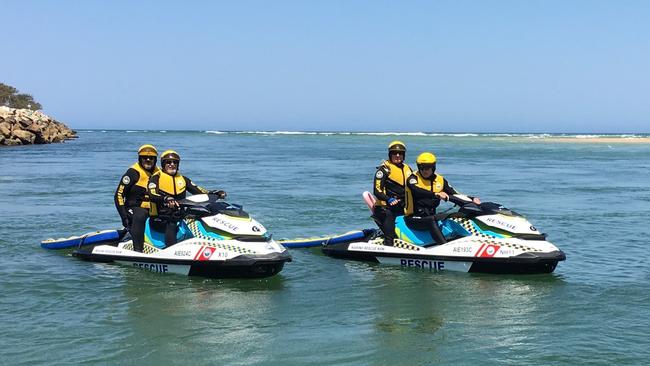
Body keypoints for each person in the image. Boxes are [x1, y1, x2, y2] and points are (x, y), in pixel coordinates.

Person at [148, 150, 226, 247]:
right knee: (171, 222)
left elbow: (199, 190)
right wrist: (166, 198)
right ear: (163, 164)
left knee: (202, 215)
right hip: (160, 217)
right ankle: (171, 250)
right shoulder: (156, 178)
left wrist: (215, 193)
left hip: (178, 214)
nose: (172, 165)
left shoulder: (183, 179)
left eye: (175, 162)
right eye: (168, 162)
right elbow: (152, 194)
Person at [404, 152, 481, 245]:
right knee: (431, 220)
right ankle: (444, 246)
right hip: (413, 218)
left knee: (456, 216)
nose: (425, 170)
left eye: (428, 167)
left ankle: (472, 241)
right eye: (422, 167)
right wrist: (436, 194)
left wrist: (471, 199)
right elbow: (417, 191)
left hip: (431, 215)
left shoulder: (440, 180)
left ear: (433, 167)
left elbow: (455, 194)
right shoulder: (412, 178)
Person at [114, 144, 161, 252]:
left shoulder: (159, 173)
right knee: (140, 215)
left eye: (151, 158)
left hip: (153, 209)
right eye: (145, 157)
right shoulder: (132, 173)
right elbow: (118, 195)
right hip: (133, 208)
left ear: (155, 159)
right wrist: (123, 216)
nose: (148, 160)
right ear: (140, 158)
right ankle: (138, 250)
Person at [373, 140, 413, 246]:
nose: (397, 155)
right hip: (386, 208)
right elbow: (377, 191)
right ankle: (388, 243)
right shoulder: (384, 170)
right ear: (390, 154)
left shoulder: (408, 168)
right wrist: (389, 199)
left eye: (400, 153)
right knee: (390, 229)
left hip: (401, 207)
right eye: (394, 153)